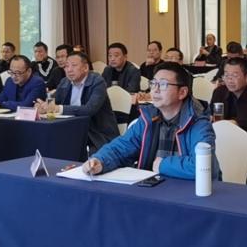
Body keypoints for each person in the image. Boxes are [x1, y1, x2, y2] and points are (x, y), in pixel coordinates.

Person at [83, 63, 218, 180]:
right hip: (153, 188)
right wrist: (100, 160)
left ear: (182, 92)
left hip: (190, 192)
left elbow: (203, 166)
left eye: (163, 84)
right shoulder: (149, 117)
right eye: (153, 83)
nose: (155, 90)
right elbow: (122, 147)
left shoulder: (198, 122)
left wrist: (163, 165)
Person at [39, 52, 119, 150]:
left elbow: (90, 109)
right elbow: (54, 102)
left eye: (74, 65)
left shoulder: (97, 81)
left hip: (96, 134)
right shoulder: (64, 82)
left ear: (85, 68)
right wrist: (44, 107)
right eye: (66, 66)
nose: (69, 69)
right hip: (71, 130)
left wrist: (58, 108)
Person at [209, 57, 247, 131]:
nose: (229, 80)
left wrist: (236, 123)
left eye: (235, 75)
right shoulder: (219, 92)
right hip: (222, 134)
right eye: (226, 75)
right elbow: (212, 114)